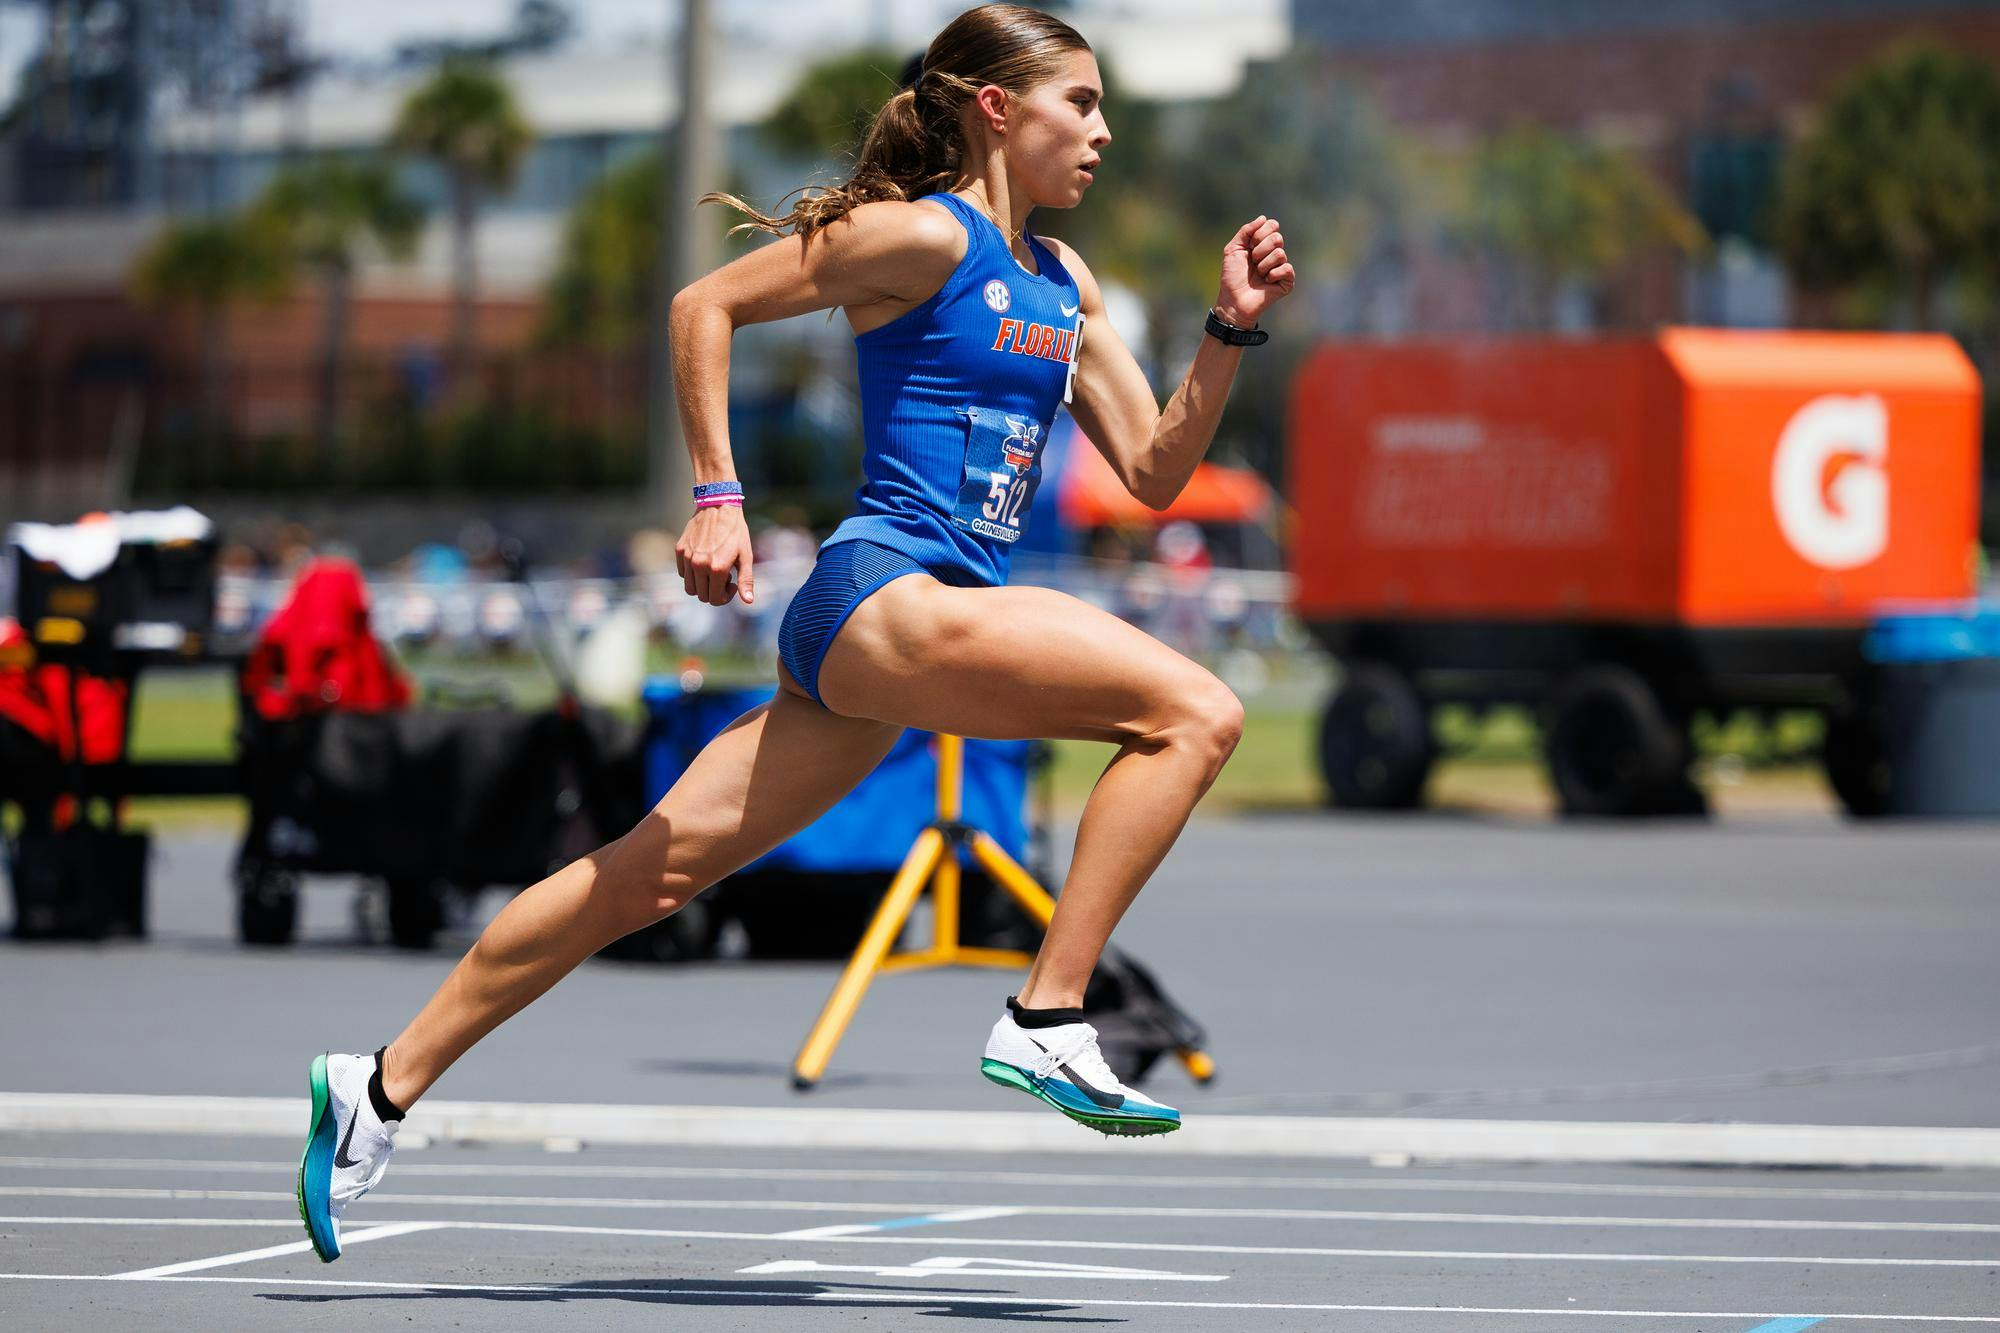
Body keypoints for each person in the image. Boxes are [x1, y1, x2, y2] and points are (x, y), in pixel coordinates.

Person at [296, 2, 1293, 1264]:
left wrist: (1227, 330)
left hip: (893, 644)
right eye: (1080, 104)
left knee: (643, 877)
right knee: (1195, 711)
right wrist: (717, 494)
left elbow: (1152, 470)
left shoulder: (1064, 282)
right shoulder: (920, 236)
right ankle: (1047, 1014)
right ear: (997, 108)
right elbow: (701, 304)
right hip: (884, 595)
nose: (1102, 132)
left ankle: (377, 1084)